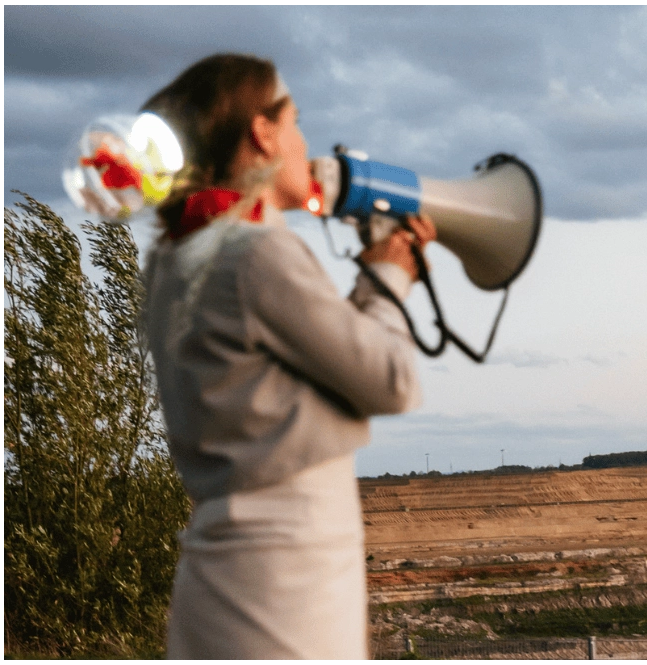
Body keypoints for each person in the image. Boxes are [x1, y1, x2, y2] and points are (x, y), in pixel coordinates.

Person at [140, 53, 435, 661]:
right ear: (262, 131)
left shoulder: (178, 258)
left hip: (231, 563)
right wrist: (388, 281)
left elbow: (318, 367)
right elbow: (391, 379)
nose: (305, 144)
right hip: (287, 573)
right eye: (295, 122)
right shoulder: (256, 253)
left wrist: (371, 279)